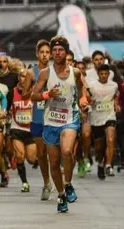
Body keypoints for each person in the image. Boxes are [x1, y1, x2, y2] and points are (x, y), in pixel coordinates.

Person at [32, 36, 90, 214]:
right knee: (54, 162)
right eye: (54, 50)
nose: (57, 53)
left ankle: (69, 183)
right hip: (50, 121)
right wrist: (47, 94)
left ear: (66, 52)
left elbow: (82, 89)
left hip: (69, 119)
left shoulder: (75, 72)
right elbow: (33, 95)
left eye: (60, 50)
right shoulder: (45, 73)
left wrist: (83, 100)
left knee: (66, 151)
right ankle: (62, 194)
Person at [88, 63, 120, 179]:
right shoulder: (92, 85)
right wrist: (89, 101)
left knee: (111, 139)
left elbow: (115, 96)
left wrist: (116, 104)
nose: (104, 76)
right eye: (101, 74)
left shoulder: (114, 85)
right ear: (98, 74)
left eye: (106, 74)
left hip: (109, 116)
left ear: (109, 74)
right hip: (96, 118)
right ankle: (100, 163)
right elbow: (86, 96)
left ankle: (108, 165)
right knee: (99, 147)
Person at [30, 40, 53, 200]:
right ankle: (46, 183)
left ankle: (60, 180)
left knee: (54, 152)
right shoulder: (31, 73)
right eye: (42, 52)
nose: (44, 55)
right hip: (37, 117)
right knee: (41, 152)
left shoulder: (56, 72)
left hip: (53, 116)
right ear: (37, 54)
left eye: (47, 52)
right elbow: (26, 94)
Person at [8, 69, 36, 192]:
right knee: (20, 156)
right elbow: (5, 106)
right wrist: (4, 112)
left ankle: (38, 160)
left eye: (26, 76)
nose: (23, 79)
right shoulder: (12, 92)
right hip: (16, 128)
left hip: (31, 129)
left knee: (31, 159)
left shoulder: (35, 92)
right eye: (21, 76)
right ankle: (24, 182)